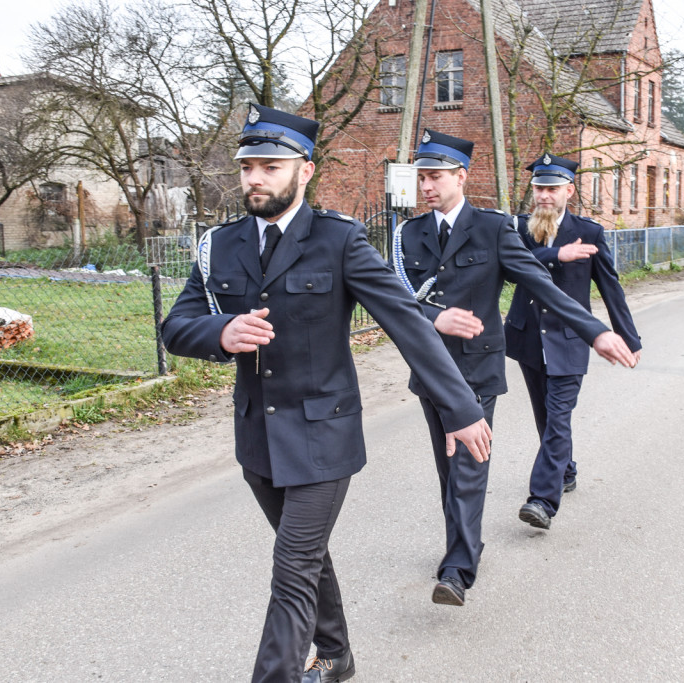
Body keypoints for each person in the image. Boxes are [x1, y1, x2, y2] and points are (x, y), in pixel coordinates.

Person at [161, 105, 492, 683]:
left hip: (324, 436)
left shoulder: (338, 240)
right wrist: (221, 331)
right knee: (307, 560)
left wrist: (460, 410)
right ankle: (336, 656)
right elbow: (176, 324)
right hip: (258, 438)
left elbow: (407, 323)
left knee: (291, 566)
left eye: (270, 166)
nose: (255, 179)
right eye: (247, 167)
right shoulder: (221, 244)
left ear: (304, 171)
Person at [391, 130, 637, 607]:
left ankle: (458, 568)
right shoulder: (407, 234)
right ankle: (465, 542)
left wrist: (597, 331)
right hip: (431, 369)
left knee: (467, 464)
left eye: (435, 176)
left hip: (478, 370)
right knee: (448, 468)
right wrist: (434, 316)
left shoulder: (494, 228)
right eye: (421, 176)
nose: (426, 186)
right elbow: (395, 299)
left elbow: (543, 287)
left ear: (461, 176)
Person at [503, 154, 642, 530]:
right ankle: (565, 470)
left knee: (558, 416)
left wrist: (628, 336)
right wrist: (556, 254)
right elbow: (513, 263)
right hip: (527, 337)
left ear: (569, 190)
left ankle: (542, 501)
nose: (544, 195)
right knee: (545, 416)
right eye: (539, 188)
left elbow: (611, 288)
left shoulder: (590, 232)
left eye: (552, 188)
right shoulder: (518, 228)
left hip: (569, 339)